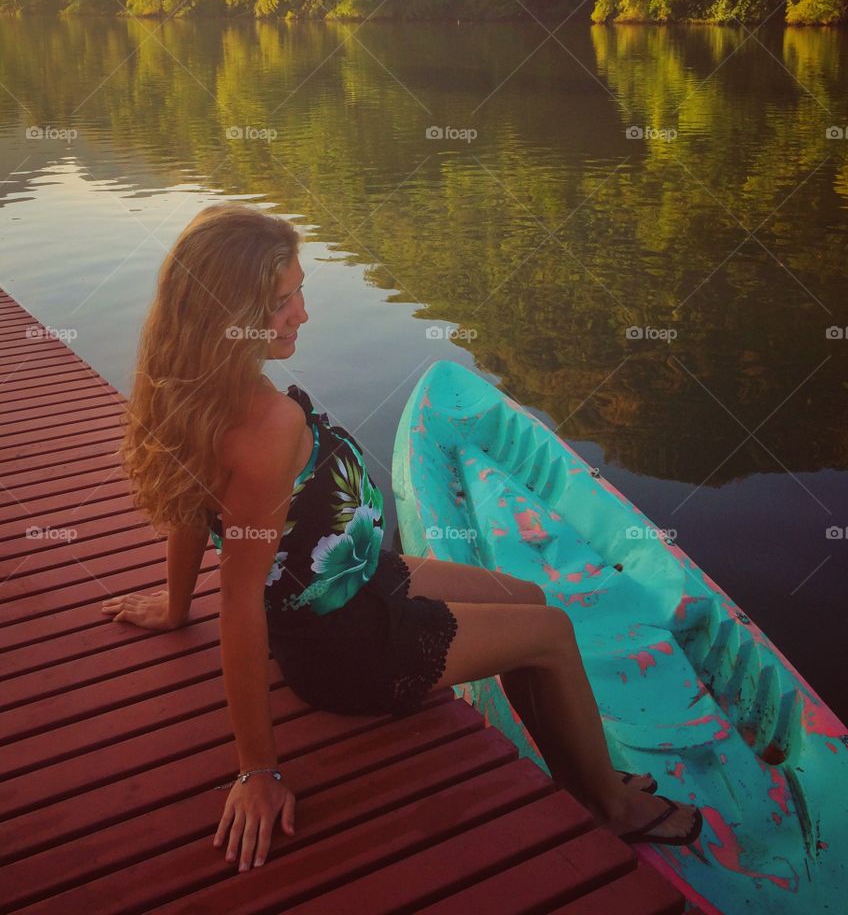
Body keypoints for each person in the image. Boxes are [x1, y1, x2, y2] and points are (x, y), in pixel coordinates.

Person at [103, 202, 703, 874]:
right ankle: (609, 807)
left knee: (530, 596)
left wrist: (175, 604)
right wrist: (258, 770)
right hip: (348, 646)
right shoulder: (266, 427)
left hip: (360, 581)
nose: (302, 313)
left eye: (299, 291)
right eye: (281, 301)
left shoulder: (201, 389)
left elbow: (188, 511)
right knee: (553, 635)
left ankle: (580, 773)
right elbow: (241, 603)